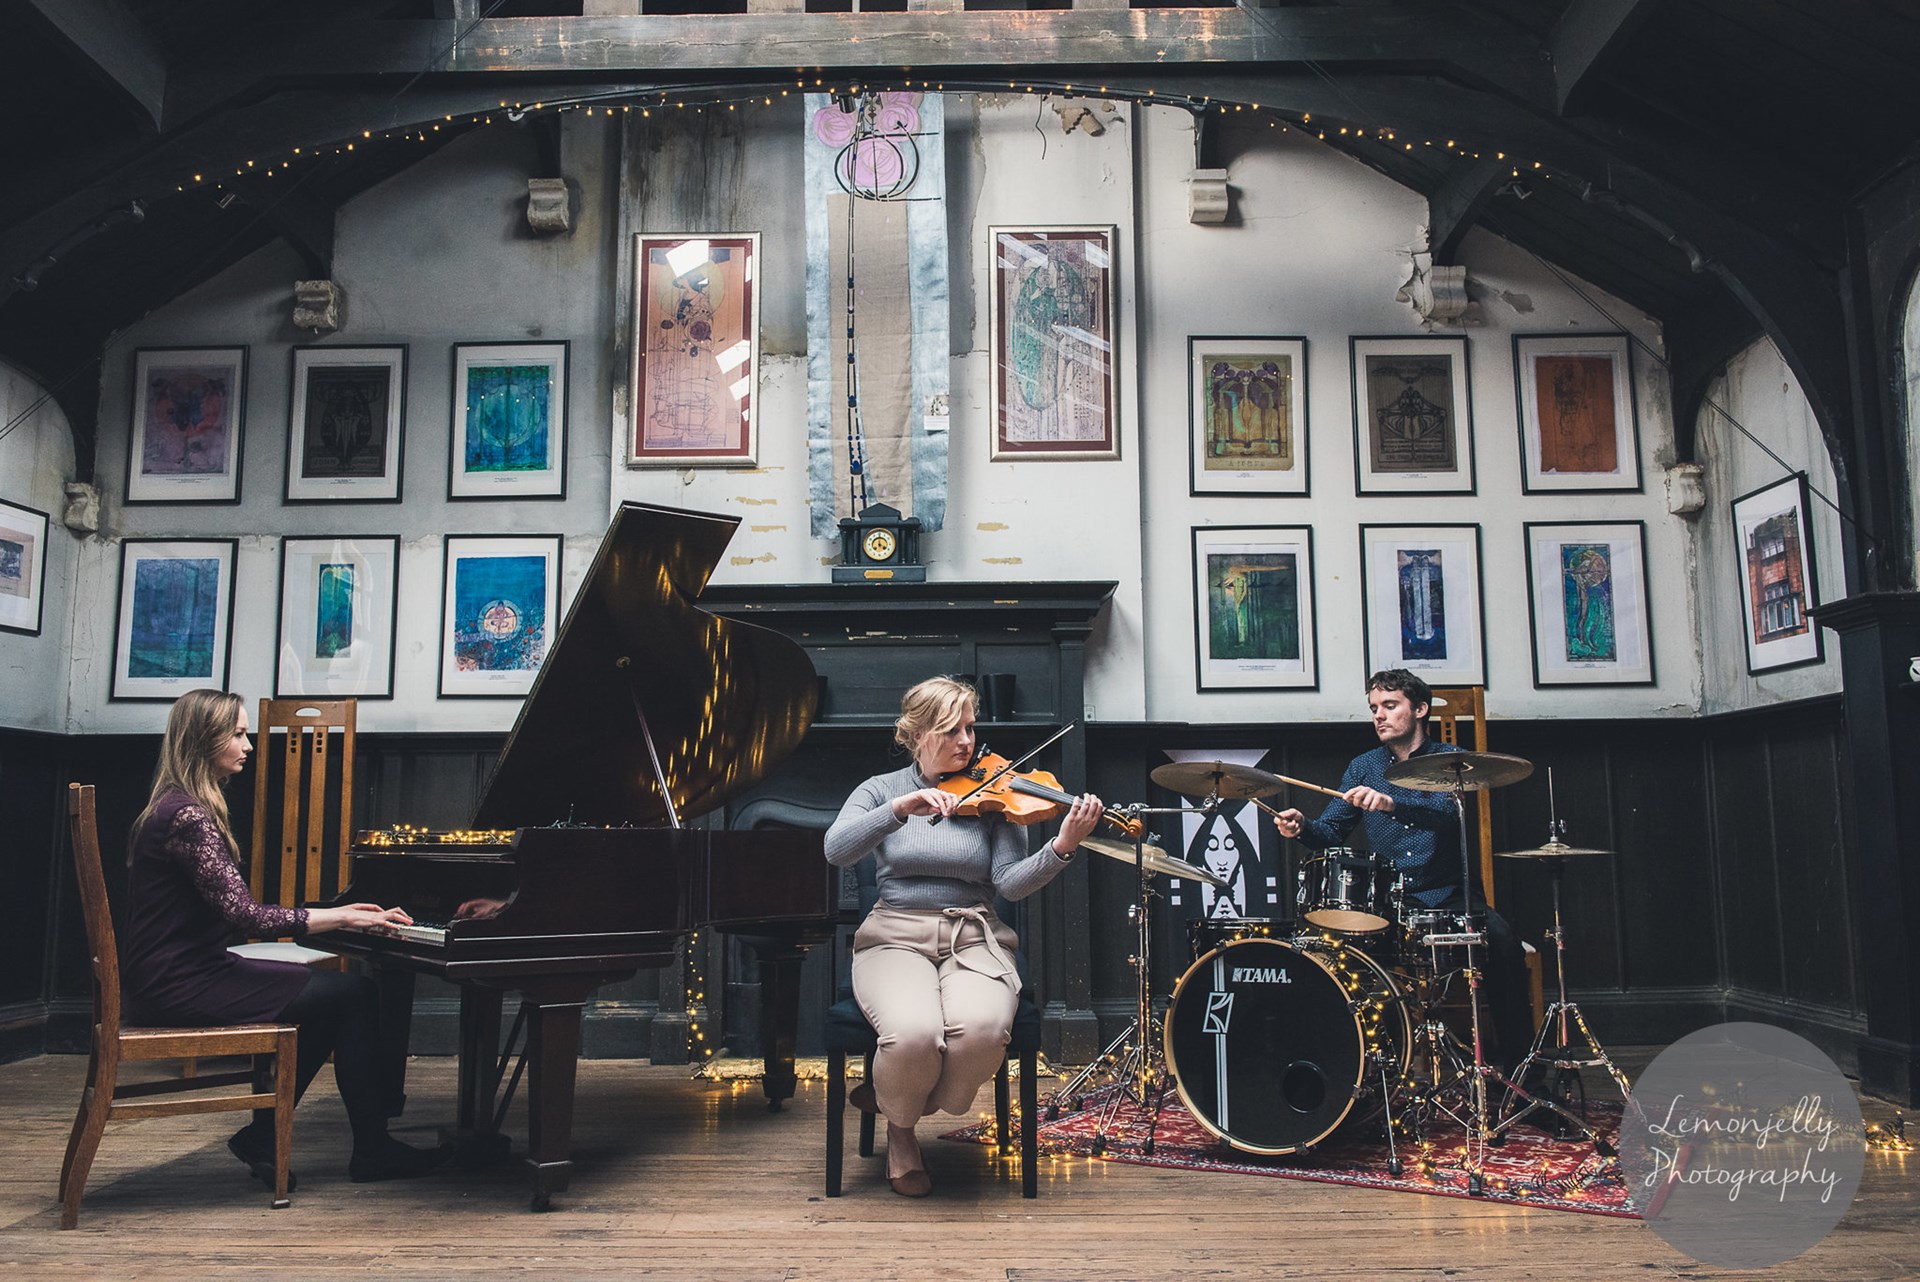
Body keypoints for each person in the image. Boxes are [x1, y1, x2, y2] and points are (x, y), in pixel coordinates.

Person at [121, 689, 452, 1188]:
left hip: (182, 971)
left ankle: (271, 1137)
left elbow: (238, 913)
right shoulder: (188, 817)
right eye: (236, 733)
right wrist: (341, 918)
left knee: (335, 999)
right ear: (202, 740)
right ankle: (370, 1150)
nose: (248, 744)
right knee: (354, 994)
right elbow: (246, 916)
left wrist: (338, 914)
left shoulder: (173, 809)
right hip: (181, 981)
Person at [824, 677, 1104, 1197]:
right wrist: (899, 811)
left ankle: (901, 1100)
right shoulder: (880, 789)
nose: (967, 742)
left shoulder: (1000, 792)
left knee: (981, 1031)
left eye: (970, 728)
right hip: (894, 936)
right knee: (911, 1034)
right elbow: (836, 850)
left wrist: (1062, 846)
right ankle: (902, 1133)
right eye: (951, 731)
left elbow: (1011, 885)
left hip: (975, 935)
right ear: (917, 735)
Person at [1269, 669, 1533, 1074]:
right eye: (1374, 708)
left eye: (1390, 706)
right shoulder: (1363, 767)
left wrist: (1393, 804)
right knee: (1337, 955)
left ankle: (1522, 1076)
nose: (1379, 716)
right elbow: (1330, 832)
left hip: (1450, 896)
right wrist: (1302, 827)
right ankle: (1365, 1074)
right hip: (1393, 901)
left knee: (1502, 943)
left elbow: (1448, 820)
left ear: (1420, 709)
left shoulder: (1451, 763)